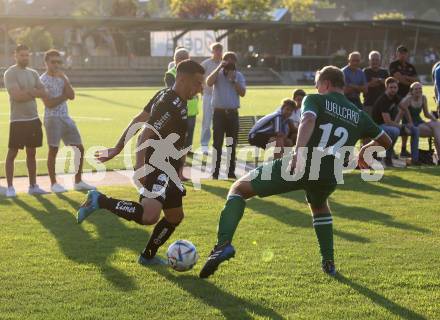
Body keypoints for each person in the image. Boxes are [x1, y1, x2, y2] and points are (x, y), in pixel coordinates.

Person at [199, 66, 391, 279]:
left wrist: (298, 153)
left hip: (305, 163)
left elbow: (308, 120)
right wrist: (365, 150)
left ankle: (223, 244)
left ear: (326, 84)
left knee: (239, 188)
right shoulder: (358, 114)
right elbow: (386, 141)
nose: (315, 87)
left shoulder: (316, 100)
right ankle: (329, 263)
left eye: (317, 83)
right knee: (319, 206)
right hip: (330, 173)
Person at [77, 60, 205, 265]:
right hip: (157, 166)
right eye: (198, 83)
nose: (201, 88)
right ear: (182, 79)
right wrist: (140, 166)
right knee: (149, 216)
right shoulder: (168, 104)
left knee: (174, 216)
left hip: (169, 169)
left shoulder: (168, 96)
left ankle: (147, 256)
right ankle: (99, 200)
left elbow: (138, 119)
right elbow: (145, 133)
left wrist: (117, 148)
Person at [40, 49, 95, 193]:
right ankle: (54, 183)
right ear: (46, 63)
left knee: (79, 148)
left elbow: (72, 95)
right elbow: (49, 104)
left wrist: (64, 79)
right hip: (52, 118)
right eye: (53, 62)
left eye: (59, 62)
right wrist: (65, 96)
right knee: (53, 150)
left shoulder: (62, 77)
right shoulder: (42, 80)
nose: (56, 65)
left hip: (65, 117)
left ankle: (78, 181)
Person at [3, 44, 48, 197]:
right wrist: (33, 92)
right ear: (15, 56)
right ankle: (10, 187)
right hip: (18, 121)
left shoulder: (33, 73)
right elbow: (17, 96)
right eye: (22, 55)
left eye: (27, 55)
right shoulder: (10, 73)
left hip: (33, 119)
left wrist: (28, 92)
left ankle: (33, 186)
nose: (25, 58)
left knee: (32, 153)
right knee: (12, 153)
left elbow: (44, 92)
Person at [207, 51, 246, 180]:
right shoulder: (217, 74)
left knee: (231, 144)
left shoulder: (238, 75)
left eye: (232, 62)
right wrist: (219, 67)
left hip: (232, 114)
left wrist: (233, 80)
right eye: (226, 61)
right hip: (219, 114)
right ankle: (215, 172)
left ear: (235, 63)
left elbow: (243, 93)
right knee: (217, 144)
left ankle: (231, 172)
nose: (229, 64)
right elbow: (208, 82)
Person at [164, 48, 199, 180]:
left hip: (191, 112)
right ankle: (171, 172)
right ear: (176, 60)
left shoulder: (193, 73)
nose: (185, 61)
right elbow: (175, 92)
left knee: (185, 144)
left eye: (187, 58)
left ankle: (180, 173)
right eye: (183, 59)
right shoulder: (171, 74)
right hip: (177, 113)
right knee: (175, 143)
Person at [372, 77, 420, 166]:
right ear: (386, 88)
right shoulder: (384, 99)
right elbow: (387, 122)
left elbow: (405, 108)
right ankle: (388, 157)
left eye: (395, 87)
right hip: (378, 126)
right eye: (391, 87)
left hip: (389, 125)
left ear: (397, 88)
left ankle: (415, 160)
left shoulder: (395, 97)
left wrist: (410, 123)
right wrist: (403, 127)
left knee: (415, 129)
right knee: (395, 131)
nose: (393, 89)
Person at [389, 45, 419, 157]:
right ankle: (390, 149)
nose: (402, 55)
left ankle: (403, 149)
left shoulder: (411, 66)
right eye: (400, 53)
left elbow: (416, 79)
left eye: (404, 53)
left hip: (408, 98)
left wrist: (404, 78)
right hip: (396, 98)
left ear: (407, 54)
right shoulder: (393, 65)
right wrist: (409, 81)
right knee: (394, 123)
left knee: (406, 124)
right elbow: (398, 78)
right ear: (397, 54)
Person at [401, 82, 440, 160]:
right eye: (416, 89)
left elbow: (426, 114)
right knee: (436, 132)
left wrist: (435, 120)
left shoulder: (423, 97)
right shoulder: (408, 99)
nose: (418, 90)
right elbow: (403, 115)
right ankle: (438, 157)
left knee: (437, 126)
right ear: (411, 91)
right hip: (411, 123)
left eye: (420, 88)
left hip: (419, 121)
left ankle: (438, 156)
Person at [200, 42, 223, 154]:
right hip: (208, 95)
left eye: (220, 50)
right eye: (216, 50)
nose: (218, 52)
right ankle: (204, 144)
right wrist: (201, 90)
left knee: (218, 121)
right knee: (207, 120)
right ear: (212, 51)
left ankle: (217, 144)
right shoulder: (205, 64)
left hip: (220, 97)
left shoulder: (224, 64)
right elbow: (199, 77)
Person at [363, 51, 389, 116]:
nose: (375, 62)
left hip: (382, 104)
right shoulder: (365, 71)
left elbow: (389, 85)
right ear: (369, 61)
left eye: (377, 60)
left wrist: (378, 80)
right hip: (368, 103)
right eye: (373, 60)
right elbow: (364, 86)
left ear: (380, 61)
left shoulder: (384, 72)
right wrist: (380, 81)